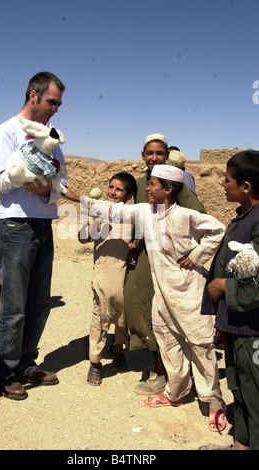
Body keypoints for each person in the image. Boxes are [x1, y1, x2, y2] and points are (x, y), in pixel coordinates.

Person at [63, 164, 226, 431]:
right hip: (162, 293)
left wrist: (196, 256)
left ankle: (214, 401)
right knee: (168, 342)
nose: (147, 188)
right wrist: (69, 196)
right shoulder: (144, 212)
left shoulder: (186, 215)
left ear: (168, 189)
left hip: (188, 291)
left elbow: (217, 230)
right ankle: (176, 392)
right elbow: (110, 209)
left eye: (152, 185)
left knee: (199, 345)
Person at [0, 71, 67, 400]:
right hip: (14, 226)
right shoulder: (7, 131)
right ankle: (3, 370)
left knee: (39, 303)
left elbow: (61, 184)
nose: (56, 109)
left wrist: (49, 187)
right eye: (52, 102)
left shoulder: (52, 137)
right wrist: (24, 172)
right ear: (34, 96)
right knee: (13, 306)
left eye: (59, 104)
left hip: (43, 224)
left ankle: (26, 363)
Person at [124, 133, 206, 397]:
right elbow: (133, 215)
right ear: (142, 156)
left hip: (169, 258)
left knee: (168, 312)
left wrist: (189, 252)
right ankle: (159, 363)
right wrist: (134, 243)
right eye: (150, 153)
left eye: (160, 153)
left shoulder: (174, 181)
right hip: (146, 255)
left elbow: (200, 216)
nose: (154, 158)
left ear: (167, 155)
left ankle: (165, 372)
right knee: (141, 304)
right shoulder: (138, 184)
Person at [199, 150, 259, 449]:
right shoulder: (244, 217)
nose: (223, 184)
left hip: (253, 331)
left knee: (255, 394)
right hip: (238, 325)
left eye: (228, 179)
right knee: (241, 387)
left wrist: (224, 286)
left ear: (245, 187)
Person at [80, 172, 137, 385]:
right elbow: (83, 238)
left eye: (119, 189)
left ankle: (117, 348)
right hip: (103, 272)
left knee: (123, 316)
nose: (113, 192)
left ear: (129, 195)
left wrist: (134, 245)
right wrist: (96, 221)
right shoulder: (100, 211)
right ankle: (95, 362)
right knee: (100, 315)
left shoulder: (132, 215)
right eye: (111, 187)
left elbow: (138, 239)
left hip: (125, 274)